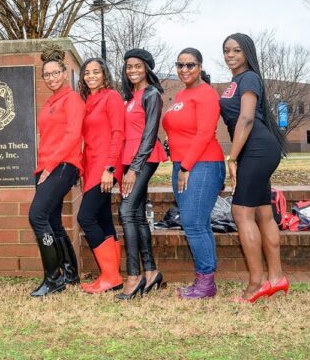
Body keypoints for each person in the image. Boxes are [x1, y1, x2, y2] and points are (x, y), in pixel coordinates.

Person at [220, 33, 289, 303]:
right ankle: (276, 278)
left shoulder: (248, 77)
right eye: (227, 50)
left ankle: (256, 284)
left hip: (256, 149)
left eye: (237, 50)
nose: (230, 55)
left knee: (241, 211)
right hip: (256, 149)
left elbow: (246, 119)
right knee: (262, 212)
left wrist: (232, 158)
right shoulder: (236, 80)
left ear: (247, 52)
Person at [162, 48, 226, 299]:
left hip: (202, 163)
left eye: (190, 65)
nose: (184, 69)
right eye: (180, 65)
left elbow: (205, 133)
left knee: (193, 223)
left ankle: (206, 283)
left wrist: (186, 166)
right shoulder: (181, 94)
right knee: (198, 223)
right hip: (182, 163)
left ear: (200, 67)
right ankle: (205, 280)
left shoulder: (206, 93)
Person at [27, 45, 85, 297]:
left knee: (37, 216)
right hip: (47, 166)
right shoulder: (51, 101)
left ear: (64, 73)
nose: (51, 78)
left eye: (55, 73)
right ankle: (70, 274)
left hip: (63, 165)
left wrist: (49, 167)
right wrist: (43, 167)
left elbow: (72, 136)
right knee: (52, 221)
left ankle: (53, 278)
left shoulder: (72, 99)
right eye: (46, 74)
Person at [116, 48, 168, 300]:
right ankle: (151, 271)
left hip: (144, 159)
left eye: (138, 66)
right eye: (129, 66)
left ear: (147, 68)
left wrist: (134, 169)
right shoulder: (130, 96)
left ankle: (134, 275)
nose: (133, 70)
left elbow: (149, 134)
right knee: (135, 214)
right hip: (130, 159)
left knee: (125, 211)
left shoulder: (152, 94)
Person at [75, 57, 126, 294]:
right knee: (104, 218)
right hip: (92, 166)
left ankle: (111, 276)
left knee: (85, 217)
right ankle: (111, 277)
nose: (91, 76)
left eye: (96, 71)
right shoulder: (88, 101)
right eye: (87, 72)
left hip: (105, 167)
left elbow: (118, 133)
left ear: (104, 74)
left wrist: (110, 168)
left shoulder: (111, 97)